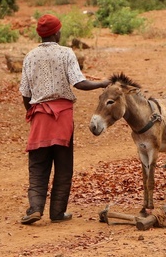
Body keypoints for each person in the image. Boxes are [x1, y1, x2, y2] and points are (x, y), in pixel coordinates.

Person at [19, 14, 110, 225]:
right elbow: (79, 83)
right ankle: (57, 213)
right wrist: (101, 83)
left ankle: (35, 208)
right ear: (56, 32)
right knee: (63, 166)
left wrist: (31, 113)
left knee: (38, 166)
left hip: (40, 117)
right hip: (62, 118)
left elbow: (25, 93)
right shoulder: (66, 53)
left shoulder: (30, 57)